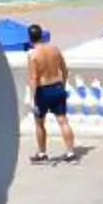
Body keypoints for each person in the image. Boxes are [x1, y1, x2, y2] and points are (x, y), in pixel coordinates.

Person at [26, 25, 76, 162]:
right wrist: (62, 86)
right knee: (63, 121)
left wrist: (32, 99)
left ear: (29, 38)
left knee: (39, 123)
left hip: (42, 91)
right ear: (42, 35)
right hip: (57, 87)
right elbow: (65, 70)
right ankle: (71, 153)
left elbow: (33, 78)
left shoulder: (32, 55)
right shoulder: (55, 49)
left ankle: (42, 153)